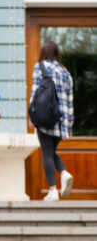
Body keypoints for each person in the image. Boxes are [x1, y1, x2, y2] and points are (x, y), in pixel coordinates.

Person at [29, 41, 74, 201]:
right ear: (57, 53)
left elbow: (35, 93)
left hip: (44, 117)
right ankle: (64, 173)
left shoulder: (40, 67)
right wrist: (69, 125)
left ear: (43, 52)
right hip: (60, 121)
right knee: (51, 152)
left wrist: (31, 117)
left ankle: (53, 190)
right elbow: (70, 101)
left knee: (47, 154)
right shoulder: (65, 72)